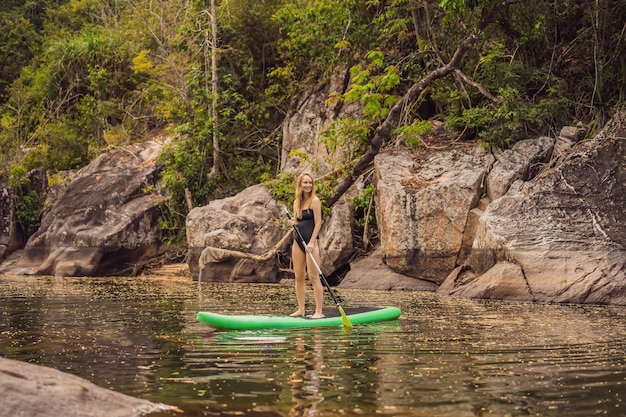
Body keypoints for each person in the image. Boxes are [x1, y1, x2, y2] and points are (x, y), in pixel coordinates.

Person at [289, 171, 325, 318]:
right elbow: (299, 221)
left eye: (310, 183)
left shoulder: (315, 201)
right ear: (300, 184)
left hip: (311, 243)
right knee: (298, 276)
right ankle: (301, 309)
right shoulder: (297, 202)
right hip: (298, 241)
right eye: (305, 182)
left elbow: (318, 223)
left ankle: (318, 311)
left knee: (313, 276)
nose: (308, 185)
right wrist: (293, 222)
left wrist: (311, 243)